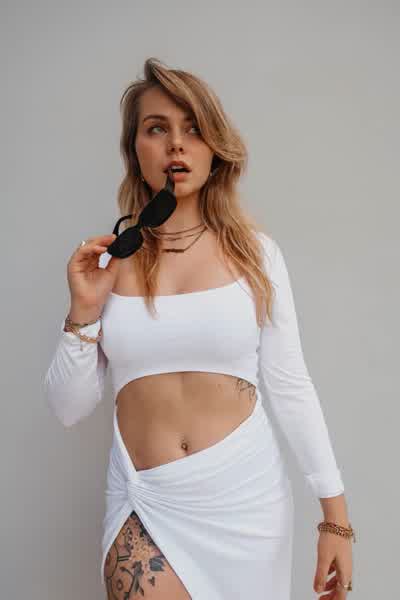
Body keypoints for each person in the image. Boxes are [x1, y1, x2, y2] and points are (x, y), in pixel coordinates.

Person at [43, 57, 354, 599]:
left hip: (246, 500)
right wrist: (83, 312)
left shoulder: (255, 255)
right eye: (156, 128)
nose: (176, 145)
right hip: (146, 501)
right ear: (135, 151)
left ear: (214, 149)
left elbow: (289, 384)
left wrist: (335, 517)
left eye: (192, 129)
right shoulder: (108, 265)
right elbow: (68, 408)